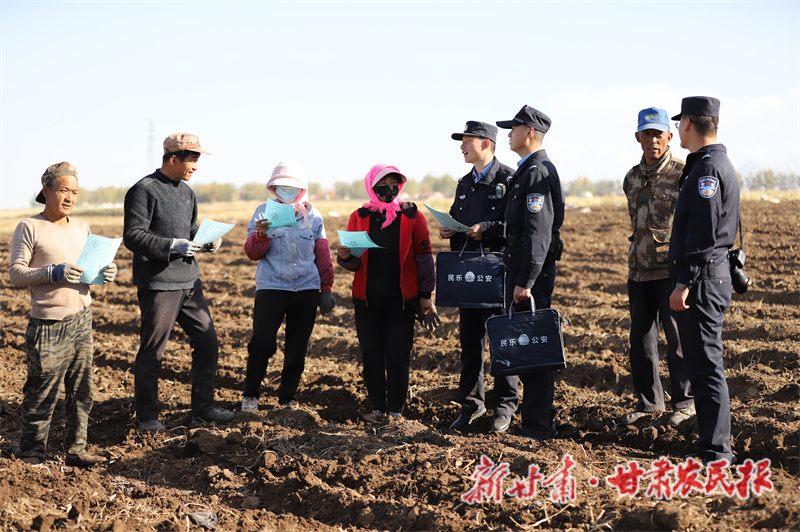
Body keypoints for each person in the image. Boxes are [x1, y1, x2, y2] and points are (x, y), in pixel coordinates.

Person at [123, 133, 233, 432]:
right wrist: (172, 246)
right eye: (192, 159)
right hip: (159, 285)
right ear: (173, 159)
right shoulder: (144, 190)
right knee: (153, 351)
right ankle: (147, 417)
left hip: (189, 281)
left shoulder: (187, 193)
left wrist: (207, 241)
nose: (196, 166)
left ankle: (204, 408)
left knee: (208, 342)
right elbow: (133, 235)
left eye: (198, 159)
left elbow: (191, 228)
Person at [9, 162, 117, 467]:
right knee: (42, 391)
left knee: (82, 391)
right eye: (63, 190)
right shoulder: (29, 227)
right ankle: (31, 452)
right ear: (46, 191)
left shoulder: (81, 227)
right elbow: (16, 274)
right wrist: (52, 272)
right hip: (48, 323)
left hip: (82, 317)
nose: (70, 197)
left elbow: (89, 269)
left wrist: (106, 272)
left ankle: (76, 450)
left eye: (75, 192)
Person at [668, 96, 740, 465]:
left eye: (680, 122)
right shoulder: (706, 165)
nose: (678, 128)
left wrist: (684, 283)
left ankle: (715, 454)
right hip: (709, 277)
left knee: (706, 367)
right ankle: (713, 448)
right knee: (703, 365)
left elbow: (703, 234)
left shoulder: (708, 170)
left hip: (703, 280)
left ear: (690, 125)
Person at [337, 163, 436, 422]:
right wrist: (344, 257)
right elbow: (353, 262)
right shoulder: (359, 216)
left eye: (394, 183)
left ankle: (396, 412)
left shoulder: (412, 216)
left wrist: (426, 294)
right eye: (382, 183)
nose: (388, 188)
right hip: (367, 300)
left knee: (397, 356)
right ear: (371, 186)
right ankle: (378, 410)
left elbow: (424, 256)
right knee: (371, 356)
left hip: (402, 301)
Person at [241, 161, 335, 411]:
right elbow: (253, 253)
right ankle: (251, 395)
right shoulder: (263, 213)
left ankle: (287, 397)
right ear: (272, 188)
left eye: (292, 187)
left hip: (305, 289)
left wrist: (326, 290)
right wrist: (260, 235)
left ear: (302, 189)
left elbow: (322, 253)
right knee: (261, 342)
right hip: (272, 287)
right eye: (281, 186)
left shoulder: (313, 216)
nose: (287, 191)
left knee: (297, 346)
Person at [495, 105, 565, 440]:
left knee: (534, 346)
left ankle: (538, 425)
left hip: (529, 276)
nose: (508, 134)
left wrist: (527, 281)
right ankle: (535, 422)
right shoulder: (527, 171)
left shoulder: (537, 172)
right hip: (521, 270)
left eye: (514, 128)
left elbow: (539, 232)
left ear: (529, 133)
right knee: (527, 345)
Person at [621, 107, 694, 426]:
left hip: (670, 272)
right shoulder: (631, 178)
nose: (652, 139)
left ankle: (686, 402)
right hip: (638, 272)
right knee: (641, 343)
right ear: (638, 137)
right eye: (646, 133)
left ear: (669, 136)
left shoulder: (683, 172)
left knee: (678, 342)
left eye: (658, 133)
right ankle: (649, 403)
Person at [440, 121, 515, 432]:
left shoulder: (510, 179)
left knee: (502, 342)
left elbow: (518, 225)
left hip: (498, 275)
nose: (462, 147)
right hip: (469, 276)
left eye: (467, 141)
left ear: (485, 144)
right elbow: (461, 219)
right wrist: (450, 227)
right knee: (470, 343)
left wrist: (487, 228)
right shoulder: (464, 184)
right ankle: (471, 405)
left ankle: (504, 407)